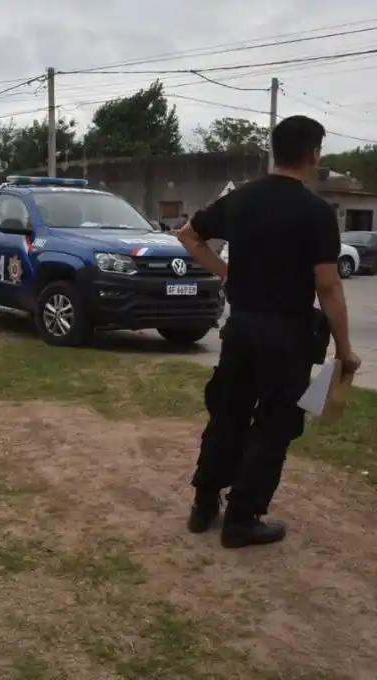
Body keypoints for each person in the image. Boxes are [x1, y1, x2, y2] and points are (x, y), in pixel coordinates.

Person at [176, 115, 360, 549]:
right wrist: (344, 348)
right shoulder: (316, 212)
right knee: (275, 424)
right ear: (313, 154)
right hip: (287, 334)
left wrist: (227, 272)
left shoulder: (241, 199)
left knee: (228, 413)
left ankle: (204, 505)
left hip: (241, 329)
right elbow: (328, 285)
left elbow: (188, 236)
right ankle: (243, 517)